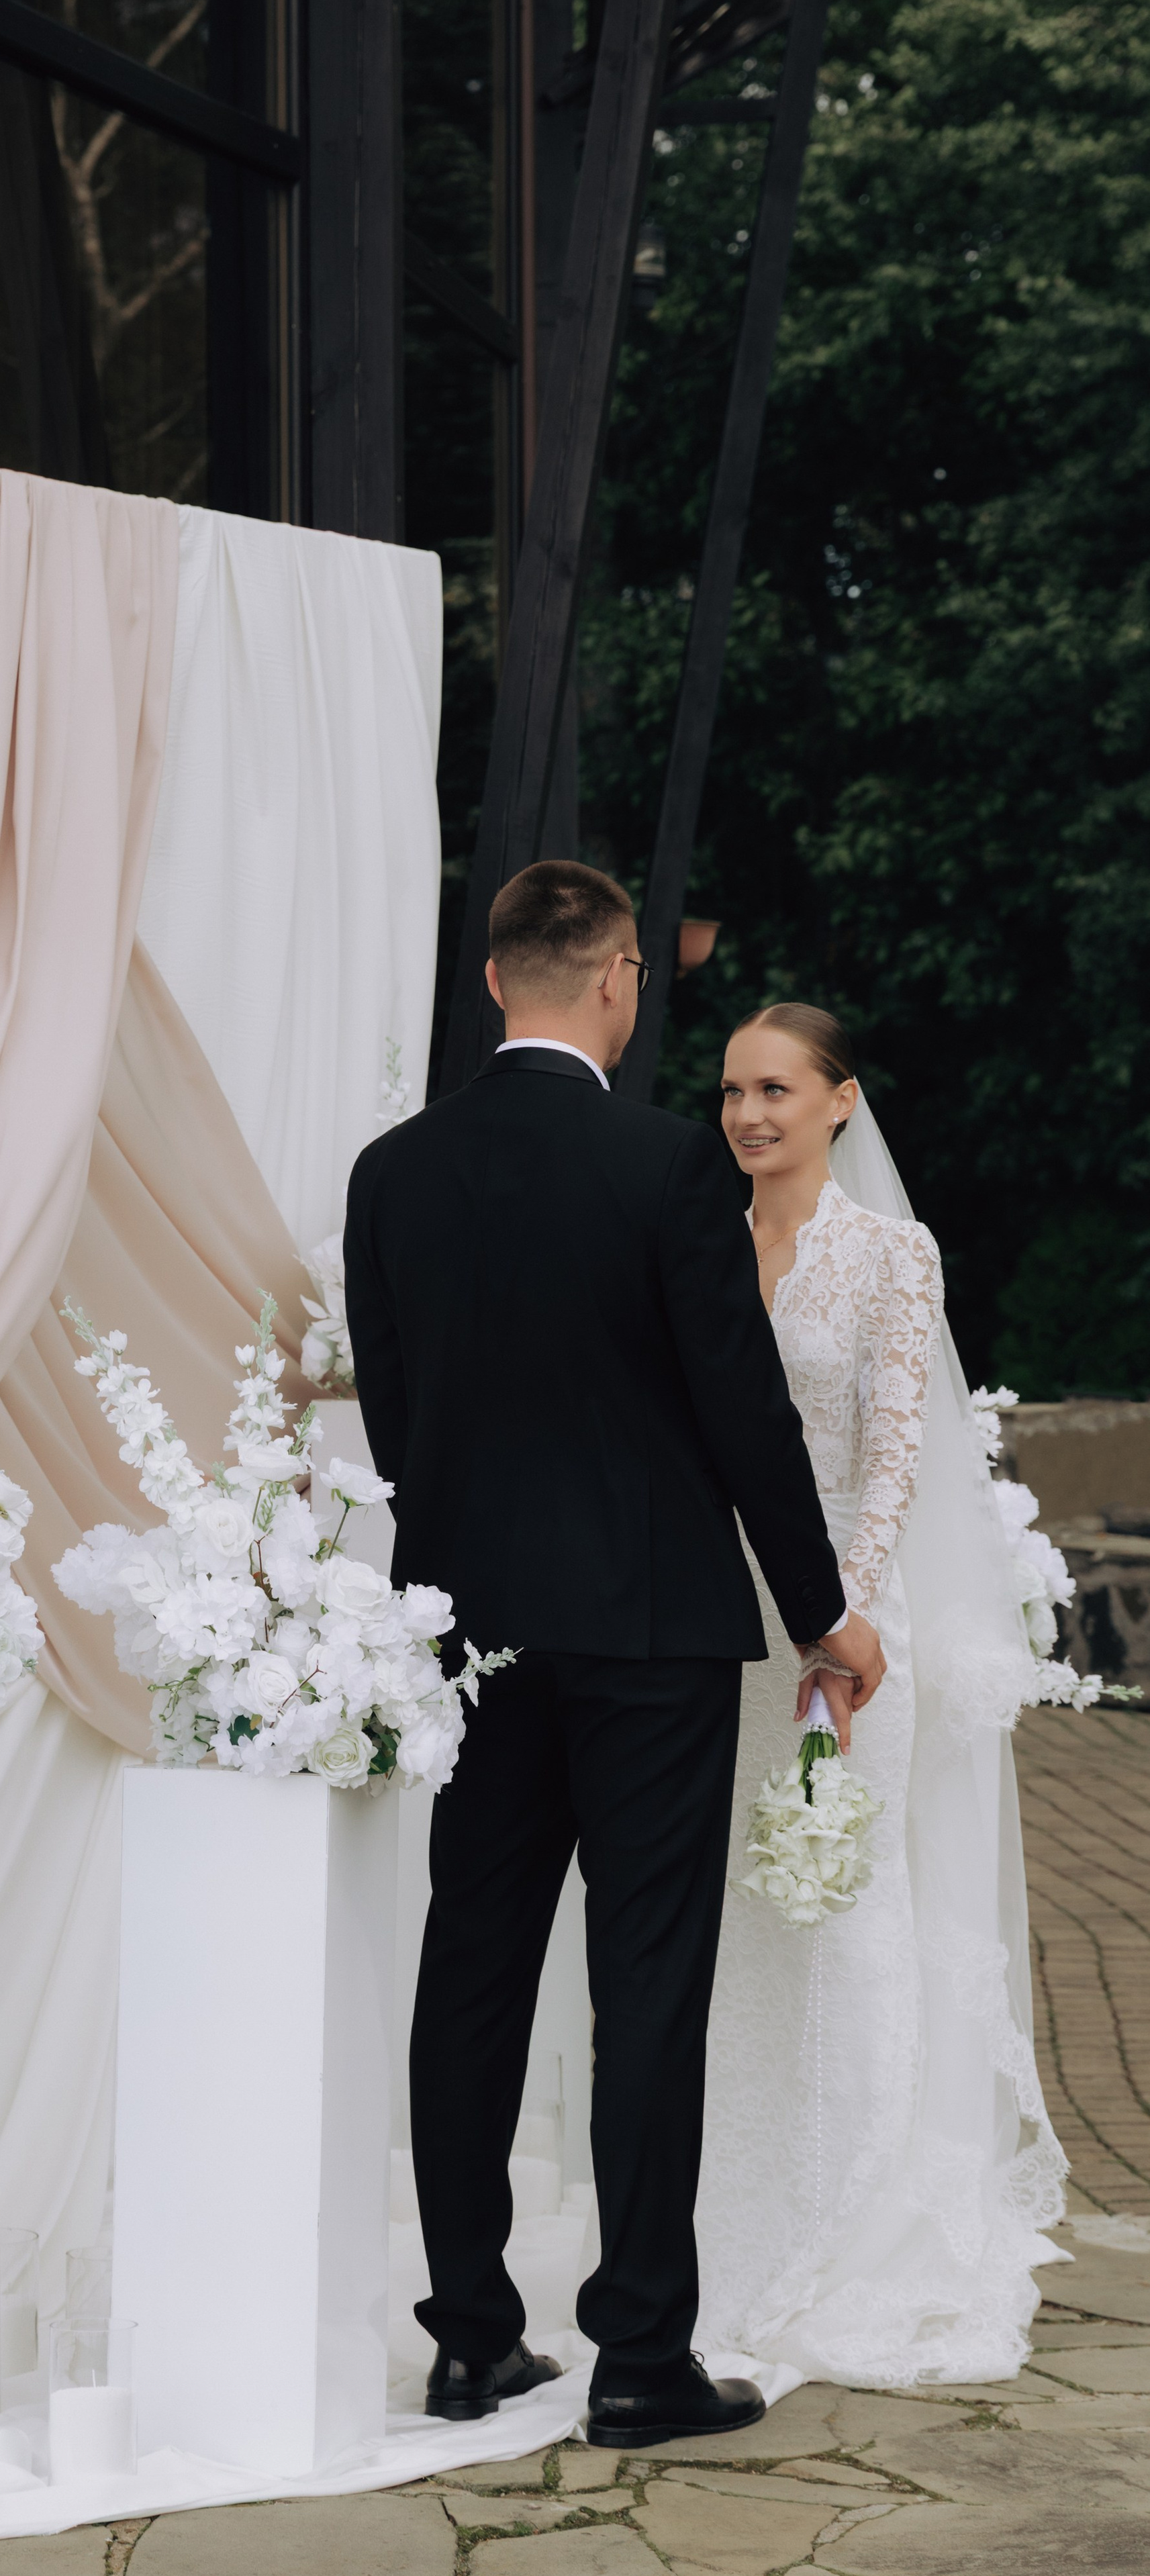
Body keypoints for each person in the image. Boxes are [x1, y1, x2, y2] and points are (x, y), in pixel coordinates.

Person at [343, 863, 884, 2448]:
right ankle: (640, 2358)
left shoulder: (391, 1175)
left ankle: (466, 2340)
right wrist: (820, 1609)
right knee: (644, 1981)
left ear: (496, 981)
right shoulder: (663, 1170)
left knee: (472, 1964)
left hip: (475, 1633)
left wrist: (449, 1574)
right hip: (648, 1631)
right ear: (617, 980)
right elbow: (741, 1413)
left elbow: (397, 1415)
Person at [697, 1004, 1066, 2384]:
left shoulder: (887, 1256)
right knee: (750, 1917)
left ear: (839, 1102)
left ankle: (852, 2221)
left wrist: (832, 1631)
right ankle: (735, 2211)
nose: (748, 1114)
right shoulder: (703, 1242)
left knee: (845, 1907)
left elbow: (898, 1449)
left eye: (776, 1089)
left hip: (847, 1632)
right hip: (718, 1628)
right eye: (732, 1090)